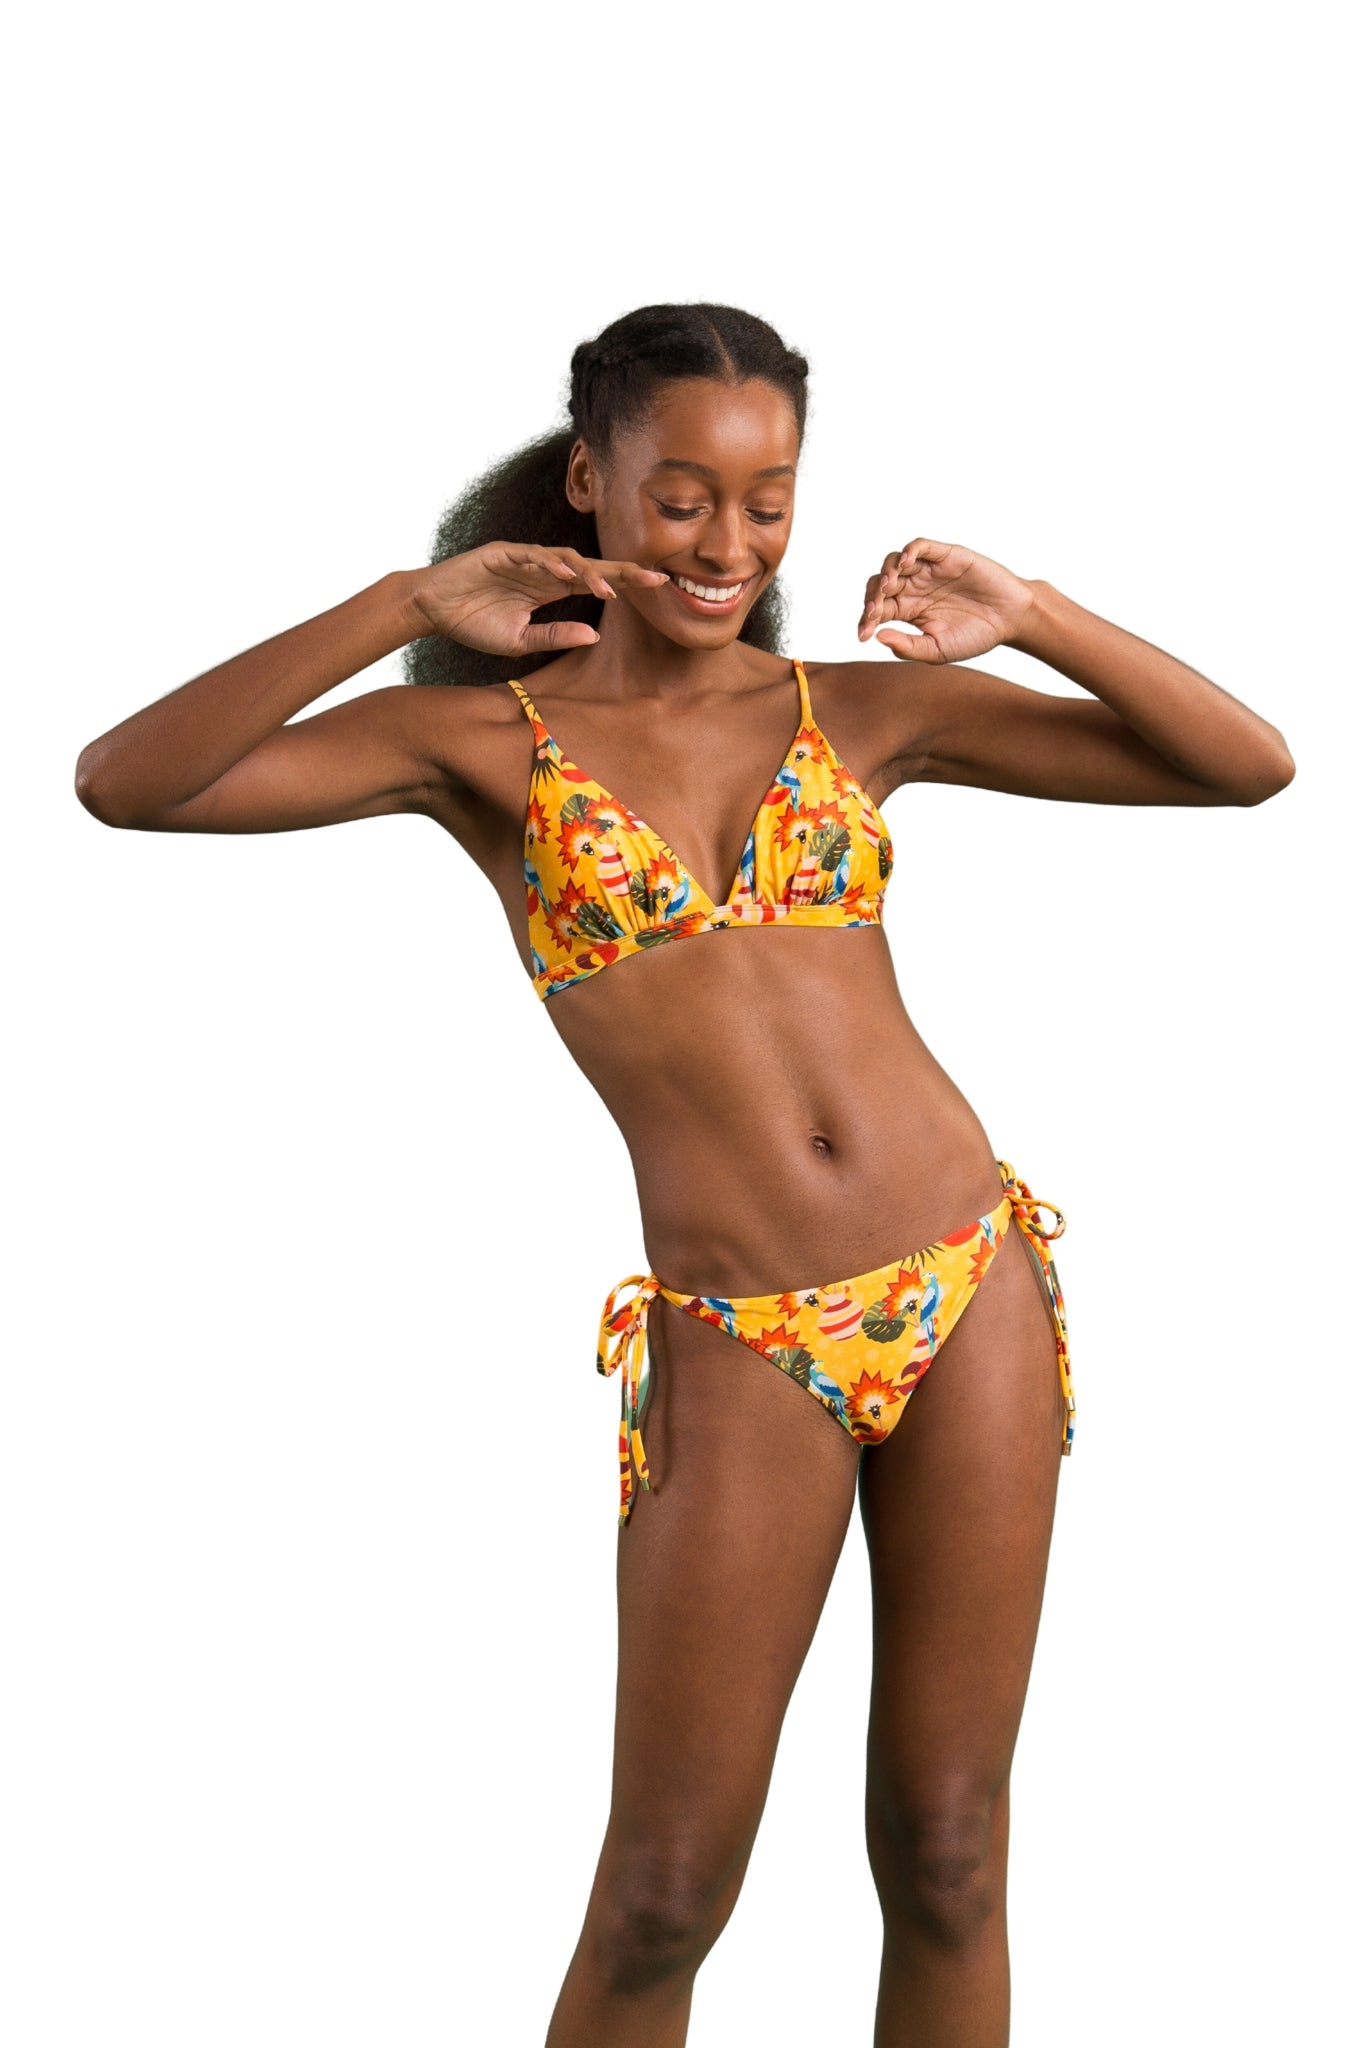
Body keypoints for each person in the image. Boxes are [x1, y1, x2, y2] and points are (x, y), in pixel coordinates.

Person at [74, 302, 1295, 2047]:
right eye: (681, 499)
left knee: (949, 1850)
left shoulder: (854, 713)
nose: (728, 545)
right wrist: (405, 606)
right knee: (661, 1892)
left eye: (768, 500)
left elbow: (1245, 767)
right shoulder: (480, 750)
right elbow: (129, 783)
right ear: (590, 482)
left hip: (970, 1285)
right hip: (743, 1337)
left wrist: (1031, 613)